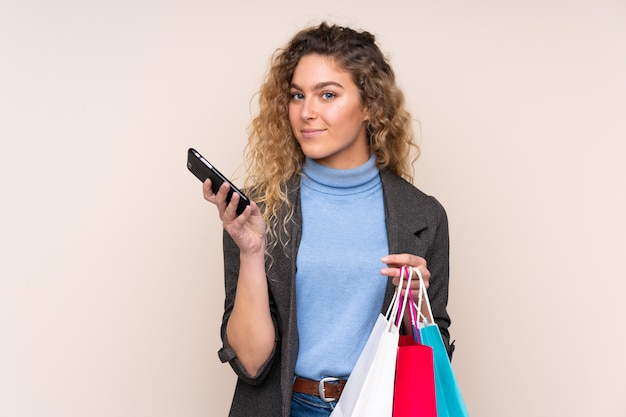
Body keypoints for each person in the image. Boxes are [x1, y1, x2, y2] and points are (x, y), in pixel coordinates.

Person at [201, 21, 453, 417]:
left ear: (369, 106)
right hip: (288, 407)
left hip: (378, 406)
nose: (307, 112)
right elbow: (250, 363)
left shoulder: (422, 214)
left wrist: (418, 311)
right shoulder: (260, 210)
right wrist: (251, 252)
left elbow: (435, 366)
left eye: (328, 94)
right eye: (297, 95)